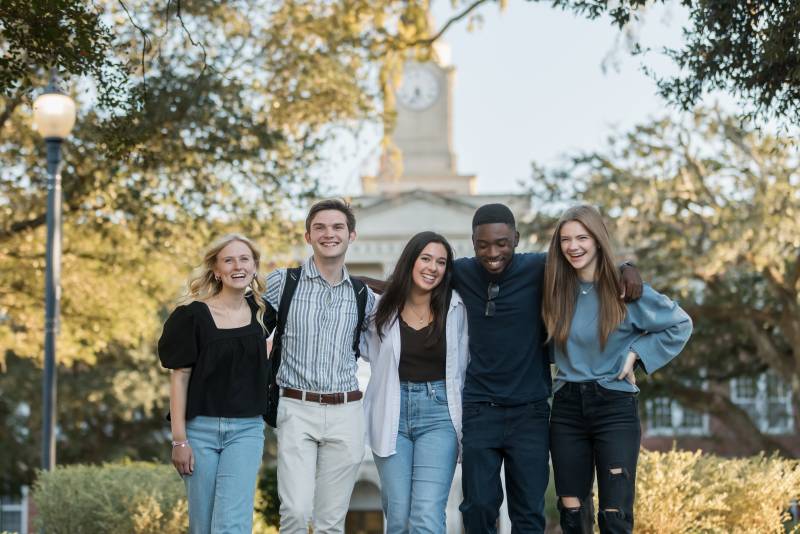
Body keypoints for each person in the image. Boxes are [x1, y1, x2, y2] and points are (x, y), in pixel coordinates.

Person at [454, 203, 642, 534]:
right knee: (479, 506)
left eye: (502, 243)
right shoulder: (463, 272)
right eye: (483, 244)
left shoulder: (539, 267)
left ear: (516, 238)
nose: (493, 252)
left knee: (528, 510)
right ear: (472, 242)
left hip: (531, 412)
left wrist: (626, 266)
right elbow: (411, 280)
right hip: (480, 409)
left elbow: (585, 261)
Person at [542, 205, 692, 534]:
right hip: (566, 408)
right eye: (565, 239)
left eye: (582, 237)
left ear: (598, 240)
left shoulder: (626, 291)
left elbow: (680, 324)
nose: (573, 246)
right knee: (572, 511)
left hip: (614, 406)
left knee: (615, 513)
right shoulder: (555, 291)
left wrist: (637, 353)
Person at [265, 199, 375, 534]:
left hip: (347, 413)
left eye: (338, 227)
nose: (329, 234)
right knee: (296, 513)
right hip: (296, 408)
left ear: (351, 235)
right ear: (308, 236)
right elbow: (246, 329)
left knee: (330, 524)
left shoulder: (362, 296)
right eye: (320, 227)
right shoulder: (282, 283)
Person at [158, 234, 269, 534]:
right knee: (203, 525)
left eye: (244, 259)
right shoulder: (191, 317)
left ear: (255, 266)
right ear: (216, 270)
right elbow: (179, 378)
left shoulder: (264, 314)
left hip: (246, 431)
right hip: (199, 432)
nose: (238, 266)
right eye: (228, 259)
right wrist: (179, 440)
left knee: (231, 524)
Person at [361, 231, 470, 533]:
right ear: (411, 260)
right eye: (426, 258)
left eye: (441, 262)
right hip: (390, 415)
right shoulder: (378, 309)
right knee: (398, 516)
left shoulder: (457, 308)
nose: (432, 267)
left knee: (426, 513)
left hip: (439, 415)